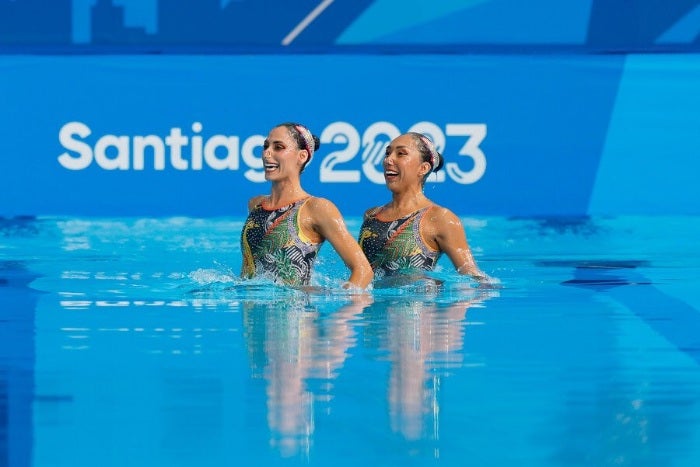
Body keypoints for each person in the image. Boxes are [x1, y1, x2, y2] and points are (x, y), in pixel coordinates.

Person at [241, 122, 373, 289]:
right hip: (251, 312)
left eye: (278, 147)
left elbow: (363, 270)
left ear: (302, 156)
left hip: (297, 313)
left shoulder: (316, 208)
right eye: (266, 146)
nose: (267, 153)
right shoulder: (256, 205)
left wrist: (342, 313)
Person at [358, 132, 494, 285]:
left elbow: (474, 278)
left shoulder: (441, 218)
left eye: (401, 154)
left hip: (419, 306)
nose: (388, 159)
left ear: (423, 168)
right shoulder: (372, 215)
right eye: (388, 153)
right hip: (370, 307)